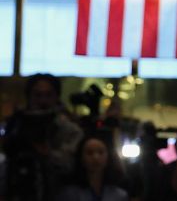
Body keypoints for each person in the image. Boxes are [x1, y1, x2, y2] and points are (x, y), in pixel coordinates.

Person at [4, 73, 84, 201]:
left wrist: (47, 153)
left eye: (48, 95)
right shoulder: (17, 124)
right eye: (37, 95)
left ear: (56, 97)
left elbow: (70, 165)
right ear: (29, 97)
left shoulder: (69, 129)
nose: (43, 101)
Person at [56, 135, 129, 201]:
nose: (95, 157)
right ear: (81, 158)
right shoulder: (69, 194)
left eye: (101, 152)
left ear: (108, 157)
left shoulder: (120, 195)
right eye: (89, 153)